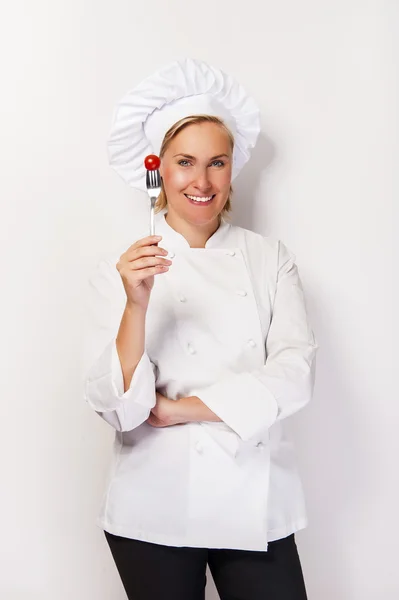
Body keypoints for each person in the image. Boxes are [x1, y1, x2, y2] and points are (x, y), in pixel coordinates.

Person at [84, 58, 318, 600]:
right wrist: (136, 304)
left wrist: (181, 409)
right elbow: (119, 409)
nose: (202, 181)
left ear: (233, 167)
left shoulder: (269, 258)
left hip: (254, 506)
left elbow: (295, 374)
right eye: (185, 162)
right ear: (158, 169)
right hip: (154, 503)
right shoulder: (121, 271)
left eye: (217, 162)